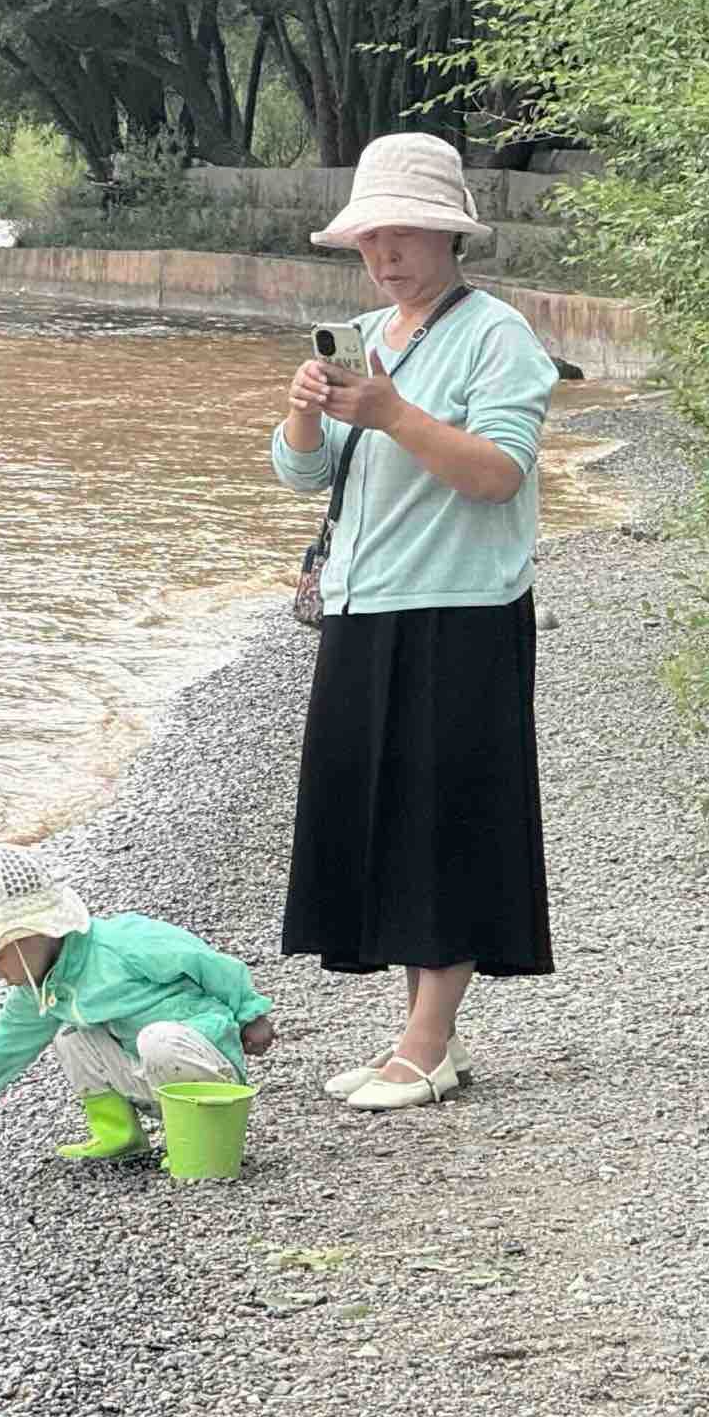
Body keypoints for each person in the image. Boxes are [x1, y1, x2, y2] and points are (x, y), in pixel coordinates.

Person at [277, 133, 560, 1111]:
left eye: (403, 236)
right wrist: (307, 413)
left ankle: (426, 1041)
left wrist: (393, 413)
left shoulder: (496, 334)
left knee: (446, 825)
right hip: (363, 605)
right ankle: (416, 1037)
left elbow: (496, 475)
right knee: (387, 822)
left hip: (459, 610)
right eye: (369, 239)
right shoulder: (365, 333)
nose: (385, 256)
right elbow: (304, 475)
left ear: (447, 234)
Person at [0, 844, 277, 1170]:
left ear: (27, 936)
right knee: (70, 1032)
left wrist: (250, 1014)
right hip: (151, 1079)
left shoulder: (121, 944)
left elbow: (210, 964)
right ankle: (118, 1134)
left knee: (157, 1039)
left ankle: (199, 1146)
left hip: (207, 1075)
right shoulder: (43, 990)